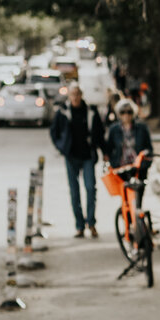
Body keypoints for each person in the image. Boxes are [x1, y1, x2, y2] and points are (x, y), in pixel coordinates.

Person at [50, 83, 106, 238]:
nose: (75, 97)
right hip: (71, 156)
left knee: (90, 189)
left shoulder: (90, 112)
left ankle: (92, 223)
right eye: (72, 94)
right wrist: (61, 147)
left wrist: (104, 151)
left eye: (77, 94)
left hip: (87, 155)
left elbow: (99, 134)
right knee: (74, 193)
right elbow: (54, 132)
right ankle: (79, 225)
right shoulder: (63, 112)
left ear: (81, 95)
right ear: (69, 96)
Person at [104, 98, 154, 173]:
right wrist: (111, 163)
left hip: (138, 168)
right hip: (119, 168)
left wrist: (146, 161)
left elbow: (149, 148)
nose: (126, 115)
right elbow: (108, 149)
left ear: (133, 113)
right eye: (122, 112)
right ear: (119, 114)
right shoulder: (113, 129)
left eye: (129, 112)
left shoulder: (142, 128)